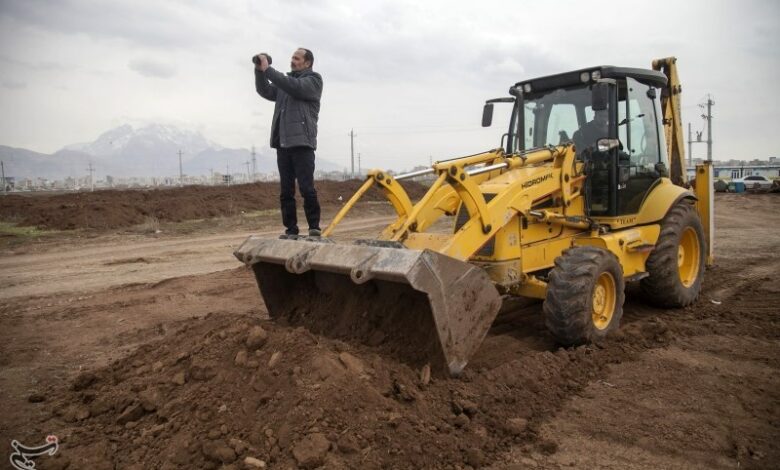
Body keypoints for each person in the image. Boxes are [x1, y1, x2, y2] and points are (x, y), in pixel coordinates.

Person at [254, 48, 323, 238]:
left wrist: (269, 70)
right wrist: (259, 71)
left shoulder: (313, 81)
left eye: (297, 58)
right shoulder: (285, 85)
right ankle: (291, 230)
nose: (292, 60)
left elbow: (294, 86)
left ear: (307, 63)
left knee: (306, 188)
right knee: (286, 191)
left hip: (302, 143)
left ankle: (314, 228)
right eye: (292, 57)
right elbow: (265, 90)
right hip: (283, 144)